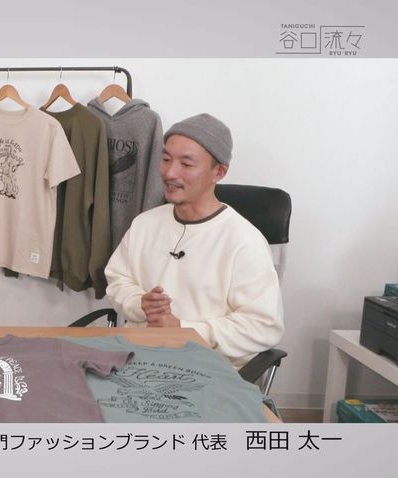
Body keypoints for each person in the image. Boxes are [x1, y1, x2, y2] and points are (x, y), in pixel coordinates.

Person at [104, 113, 283, 368]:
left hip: (204, 372)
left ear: (218, 172)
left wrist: (183, 330)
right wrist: (140, 303)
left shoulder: (244, 241)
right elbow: (118, 279)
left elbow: (263, 326)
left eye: (186, 164)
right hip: (138, 360)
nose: (170, 173)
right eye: (166, 159)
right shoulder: (145, 224)